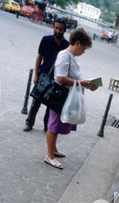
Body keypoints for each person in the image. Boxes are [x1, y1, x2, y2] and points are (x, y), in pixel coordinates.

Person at [44, 28, 98, 169]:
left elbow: (72, 77)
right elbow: (61, 78)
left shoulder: (72, 57)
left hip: (67, 95)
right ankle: (49, 155)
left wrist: (86, 84)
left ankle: (53, 149)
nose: (83, 52)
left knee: (57, 123)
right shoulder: (64, 55)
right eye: (83, 49)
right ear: (77, 43)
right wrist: (81, 83)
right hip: (59, 95)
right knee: (54, 125)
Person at [23, 19, 69, 133]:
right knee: (36, 102)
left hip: (57, 79)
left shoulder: (66, 45)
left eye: (60, 29)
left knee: (51, 105)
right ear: (53, 27)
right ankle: (29, 123)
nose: (58, 31)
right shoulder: (46, 40)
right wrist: (36, 75)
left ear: (64, 30)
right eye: (56, 28)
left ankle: (47, 127)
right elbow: (39, 57)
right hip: (43, 75)